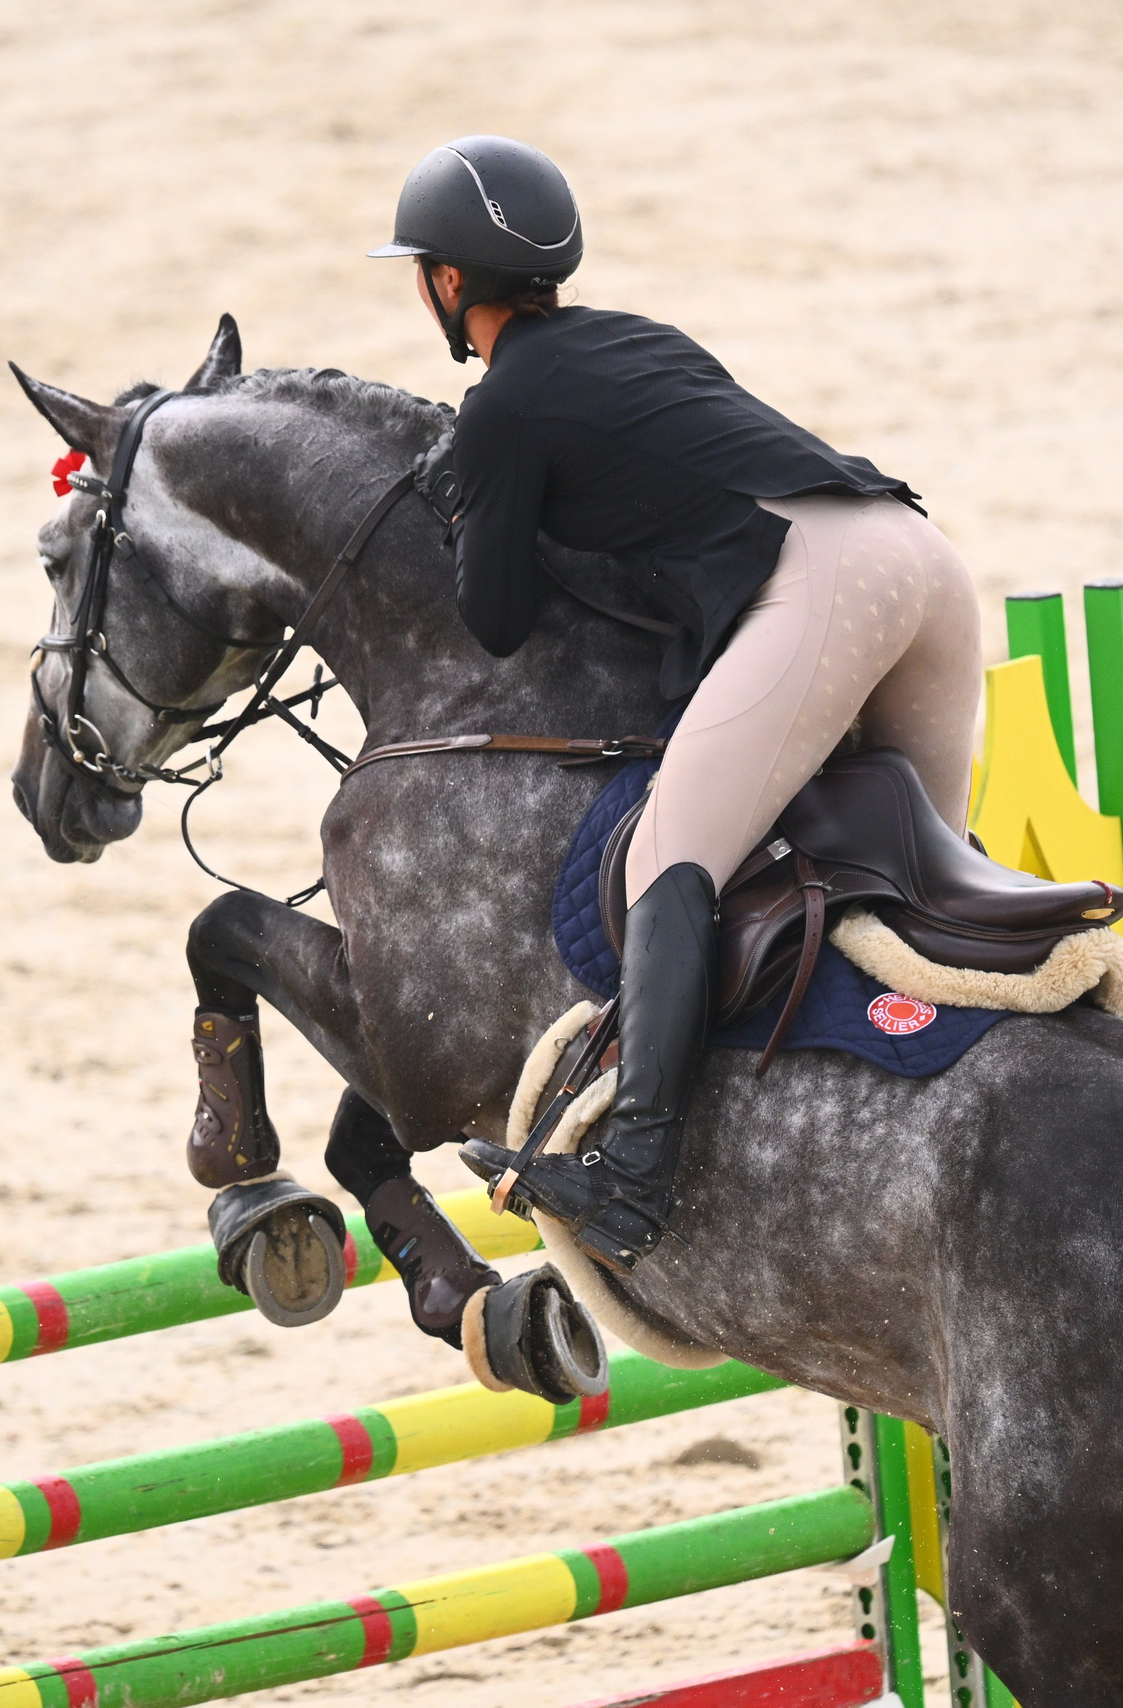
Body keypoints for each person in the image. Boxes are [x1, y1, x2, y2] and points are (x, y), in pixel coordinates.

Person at [371, 136, 985, 1273]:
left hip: (830, 588)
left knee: (670, 859)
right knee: (932, 882)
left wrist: (468, 505)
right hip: (923, 561)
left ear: (446, 283)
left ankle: (635, 1175)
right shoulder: (639, 340)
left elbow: (496, 617)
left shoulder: (502, 405)